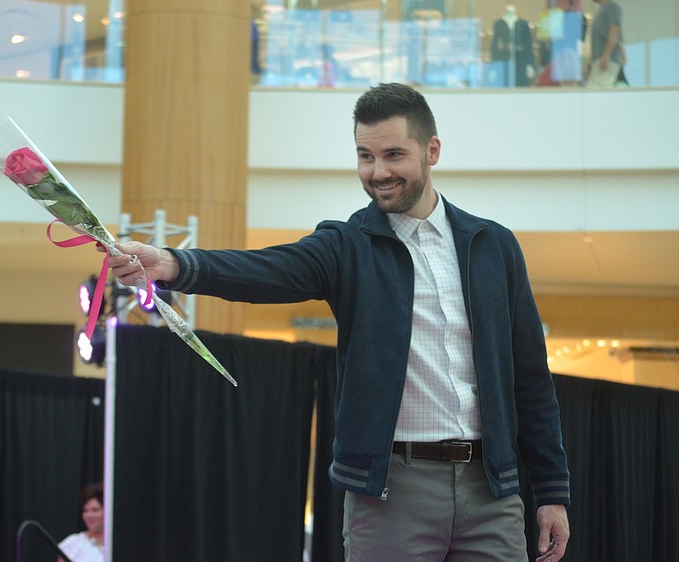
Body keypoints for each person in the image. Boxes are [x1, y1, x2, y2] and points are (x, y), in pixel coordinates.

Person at [106, 83, 571, 561]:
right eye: (365, 156)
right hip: (391, 493)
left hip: (491, 492)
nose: (378, 172)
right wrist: (172, 264)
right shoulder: (347, 246)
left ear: (432, 150)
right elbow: (267, 271)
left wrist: (551, 490)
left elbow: (531, 379)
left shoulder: (493, 246)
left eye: (394, 155)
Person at [57, 483, 104, 562]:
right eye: (85, 511)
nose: (89, 515)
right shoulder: (72, 544)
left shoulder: (122, 544)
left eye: (95, 510)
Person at [587, 0, 623, 87]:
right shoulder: (601, 10)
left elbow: (614, 30)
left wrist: (606, 55)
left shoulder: (612, 7)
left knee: (595, 93)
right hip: (600, 61)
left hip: (606, 61)